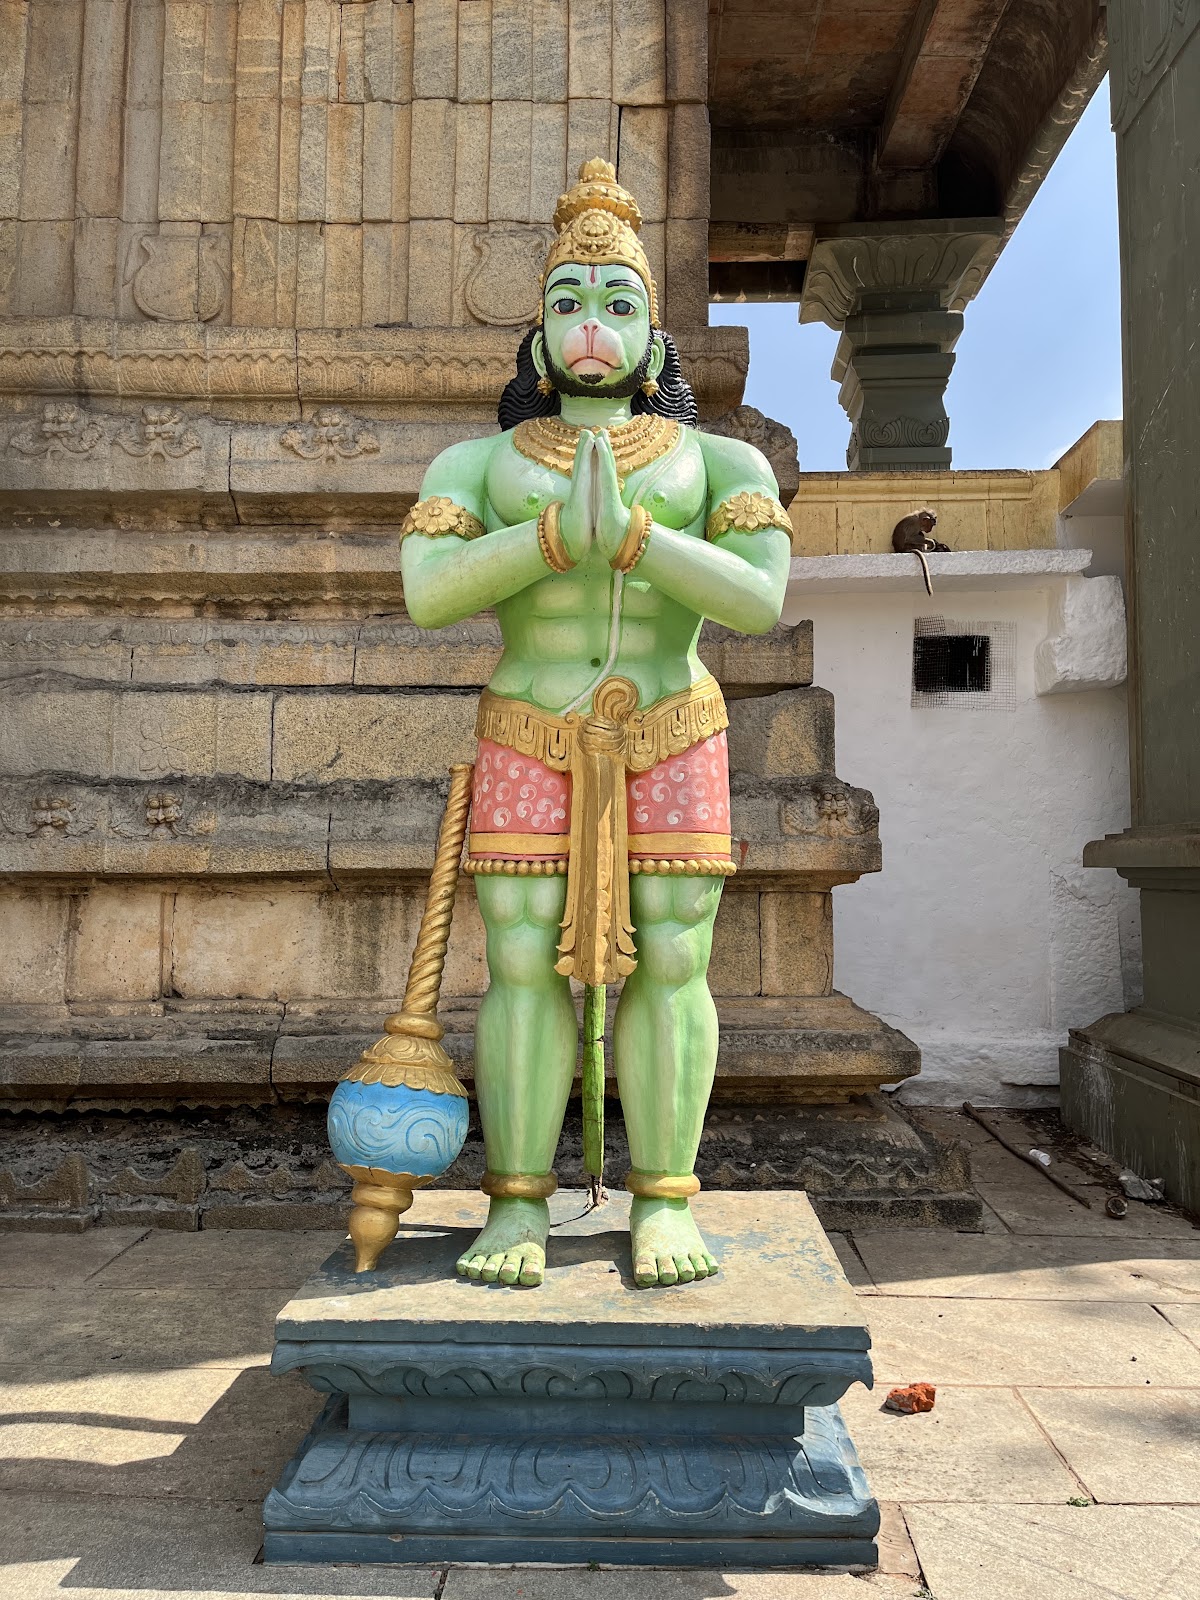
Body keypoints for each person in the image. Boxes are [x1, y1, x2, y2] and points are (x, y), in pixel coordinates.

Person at [400, 160, 791, 1288]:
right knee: (521, 961)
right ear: (536, 337)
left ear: (654, 344)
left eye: (618, 303)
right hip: (529, 725)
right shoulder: (474, 465)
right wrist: (548, 543)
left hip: (673, 725)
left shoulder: (721, 462)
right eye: (568, 300)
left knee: (674, 958)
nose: (591, 323)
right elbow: (430, 593)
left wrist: (637, 541)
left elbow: (758, 601)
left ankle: (664, 1198)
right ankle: (517, 1202)